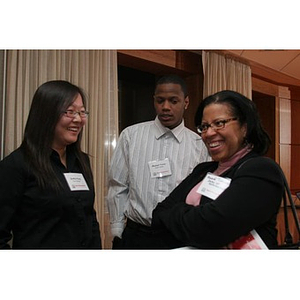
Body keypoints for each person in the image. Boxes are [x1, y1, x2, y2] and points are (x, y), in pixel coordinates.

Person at [151, 90, 284, 249]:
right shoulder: (203, 170)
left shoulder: (261, 169)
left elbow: (210, 229)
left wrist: (177, 214)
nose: (209, 133)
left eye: (219, 123)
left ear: (245, 127)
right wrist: (198, 217)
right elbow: (158, 214)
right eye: (205, 126)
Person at [107, 74, 210, 249]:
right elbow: (118, 185)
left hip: (177, 236)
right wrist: (117, 228)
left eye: (173, 101)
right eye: (160, 101)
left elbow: (201, 194)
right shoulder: (131, 136)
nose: (165, 107)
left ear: (186, 102)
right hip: (136, 234)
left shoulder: (199, 144)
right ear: (153, 101)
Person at [0, 80, 102, 249]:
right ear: (46, 114)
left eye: (82, 112)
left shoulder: (81, 161)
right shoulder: (16, 165)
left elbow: (90, 218)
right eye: (70, 112)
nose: (78, 120)